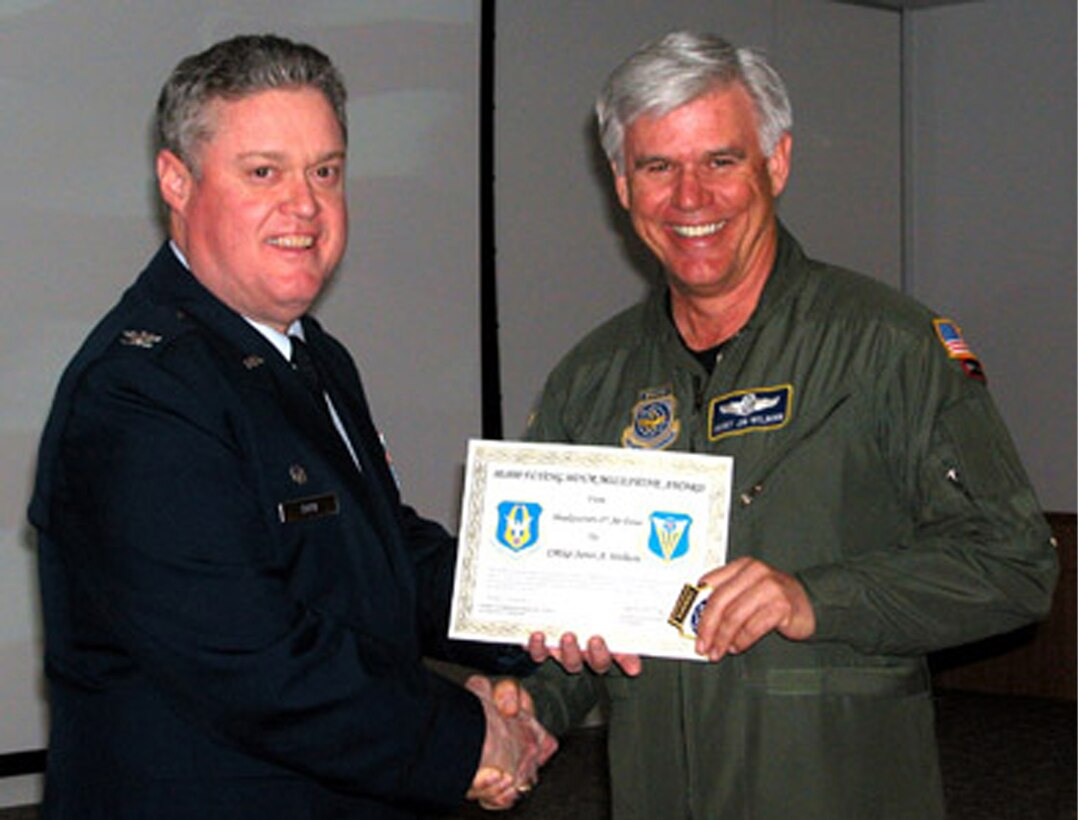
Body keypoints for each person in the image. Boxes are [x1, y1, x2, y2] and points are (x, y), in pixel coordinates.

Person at [497, 30, 1060, 819]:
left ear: (778, 163)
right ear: (622, 186)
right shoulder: (592, 380)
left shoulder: (886, 344)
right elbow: (583, 624)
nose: (690, 198)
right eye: (658, 167)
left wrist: (815, 598)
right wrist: (530, 716)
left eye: (721, 161)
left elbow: (1014, 568)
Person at [29, 34, 555, 820]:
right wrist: (467, 740)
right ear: (177, 181)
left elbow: (378, 553)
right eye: (263, 172)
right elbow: (250, 656)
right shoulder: (139, 392)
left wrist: (543, 605)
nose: (303, 206)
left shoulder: (307, 353)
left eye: (326, 172)